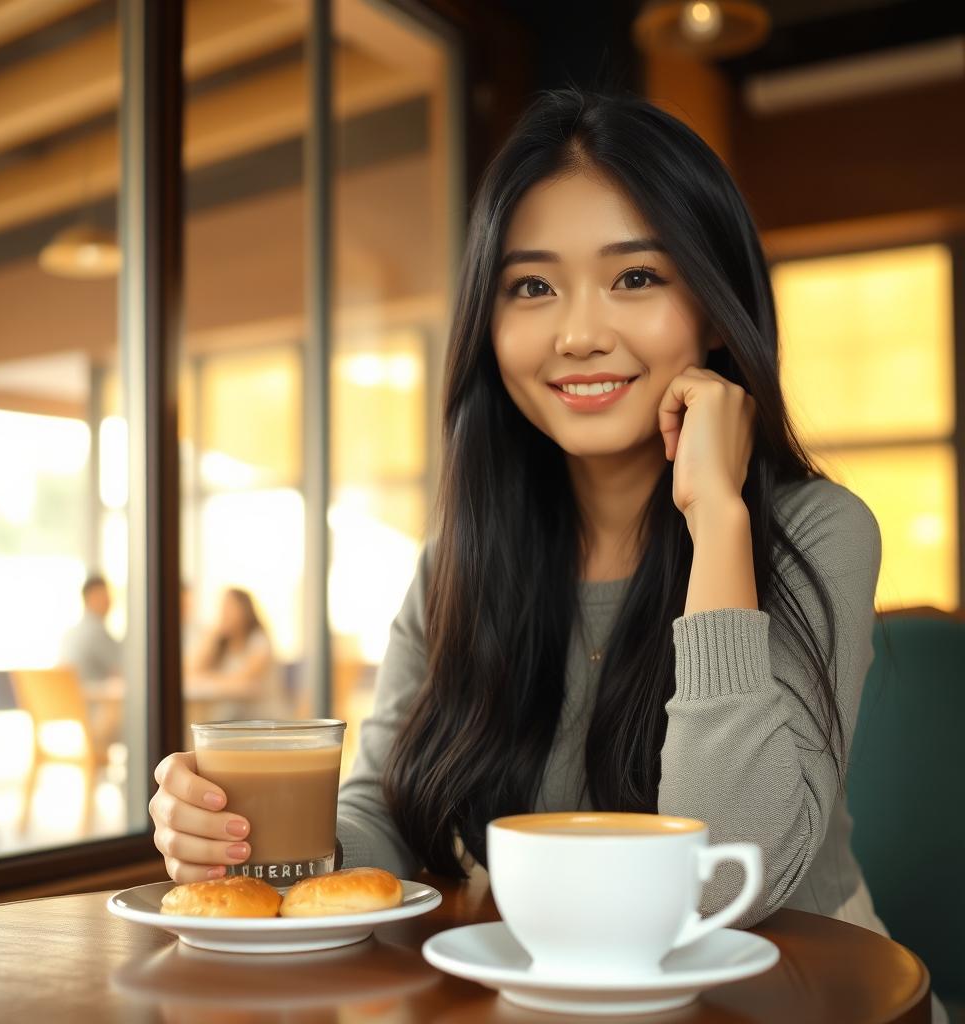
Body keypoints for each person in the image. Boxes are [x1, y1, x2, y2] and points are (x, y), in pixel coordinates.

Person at [149, 89, 888, 936]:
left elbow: (725, 882)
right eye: (532, 286)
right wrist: (242, 841)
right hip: (553, 993)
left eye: (636, 277)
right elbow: (380, 820)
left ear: (715, 310)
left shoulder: (817, 531)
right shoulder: (459, 563)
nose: (578, 334)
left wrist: (718, 517)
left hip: (811, 994)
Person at [184, 587, 276, 718]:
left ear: (244, 610)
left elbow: (247, 679)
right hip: (228, 715)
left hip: (260, 716)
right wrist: (213, 635)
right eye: (222, 608)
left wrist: (210, 678)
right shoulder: (222, 642)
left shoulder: (259, 640)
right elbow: (194, 669)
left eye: (229, 607)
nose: (224, 613)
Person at [59, 574, 122, 684]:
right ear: (91, 598)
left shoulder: (70, 634)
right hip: (92, 699)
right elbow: (124, 666)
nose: (109, 601)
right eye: (104, 595)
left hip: (68, 698)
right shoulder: (96, 632)